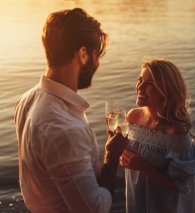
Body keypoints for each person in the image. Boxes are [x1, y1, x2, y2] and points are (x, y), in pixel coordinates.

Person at [14, 8, 127, 213]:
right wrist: (111, 159)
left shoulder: (27, 99)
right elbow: (94, 209)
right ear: (83, 54)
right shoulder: (64, 129)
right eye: (96, 55)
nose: (97, 63)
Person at [120, 58, 195, 213]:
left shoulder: (175, 131)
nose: (140, 87)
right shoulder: (132, 117)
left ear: (166, 90)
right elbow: (127, 157)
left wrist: (143, 166)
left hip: (166, 205)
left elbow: (181, 185)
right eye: (140, 80)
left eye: (149, 84)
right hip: (137, 199)